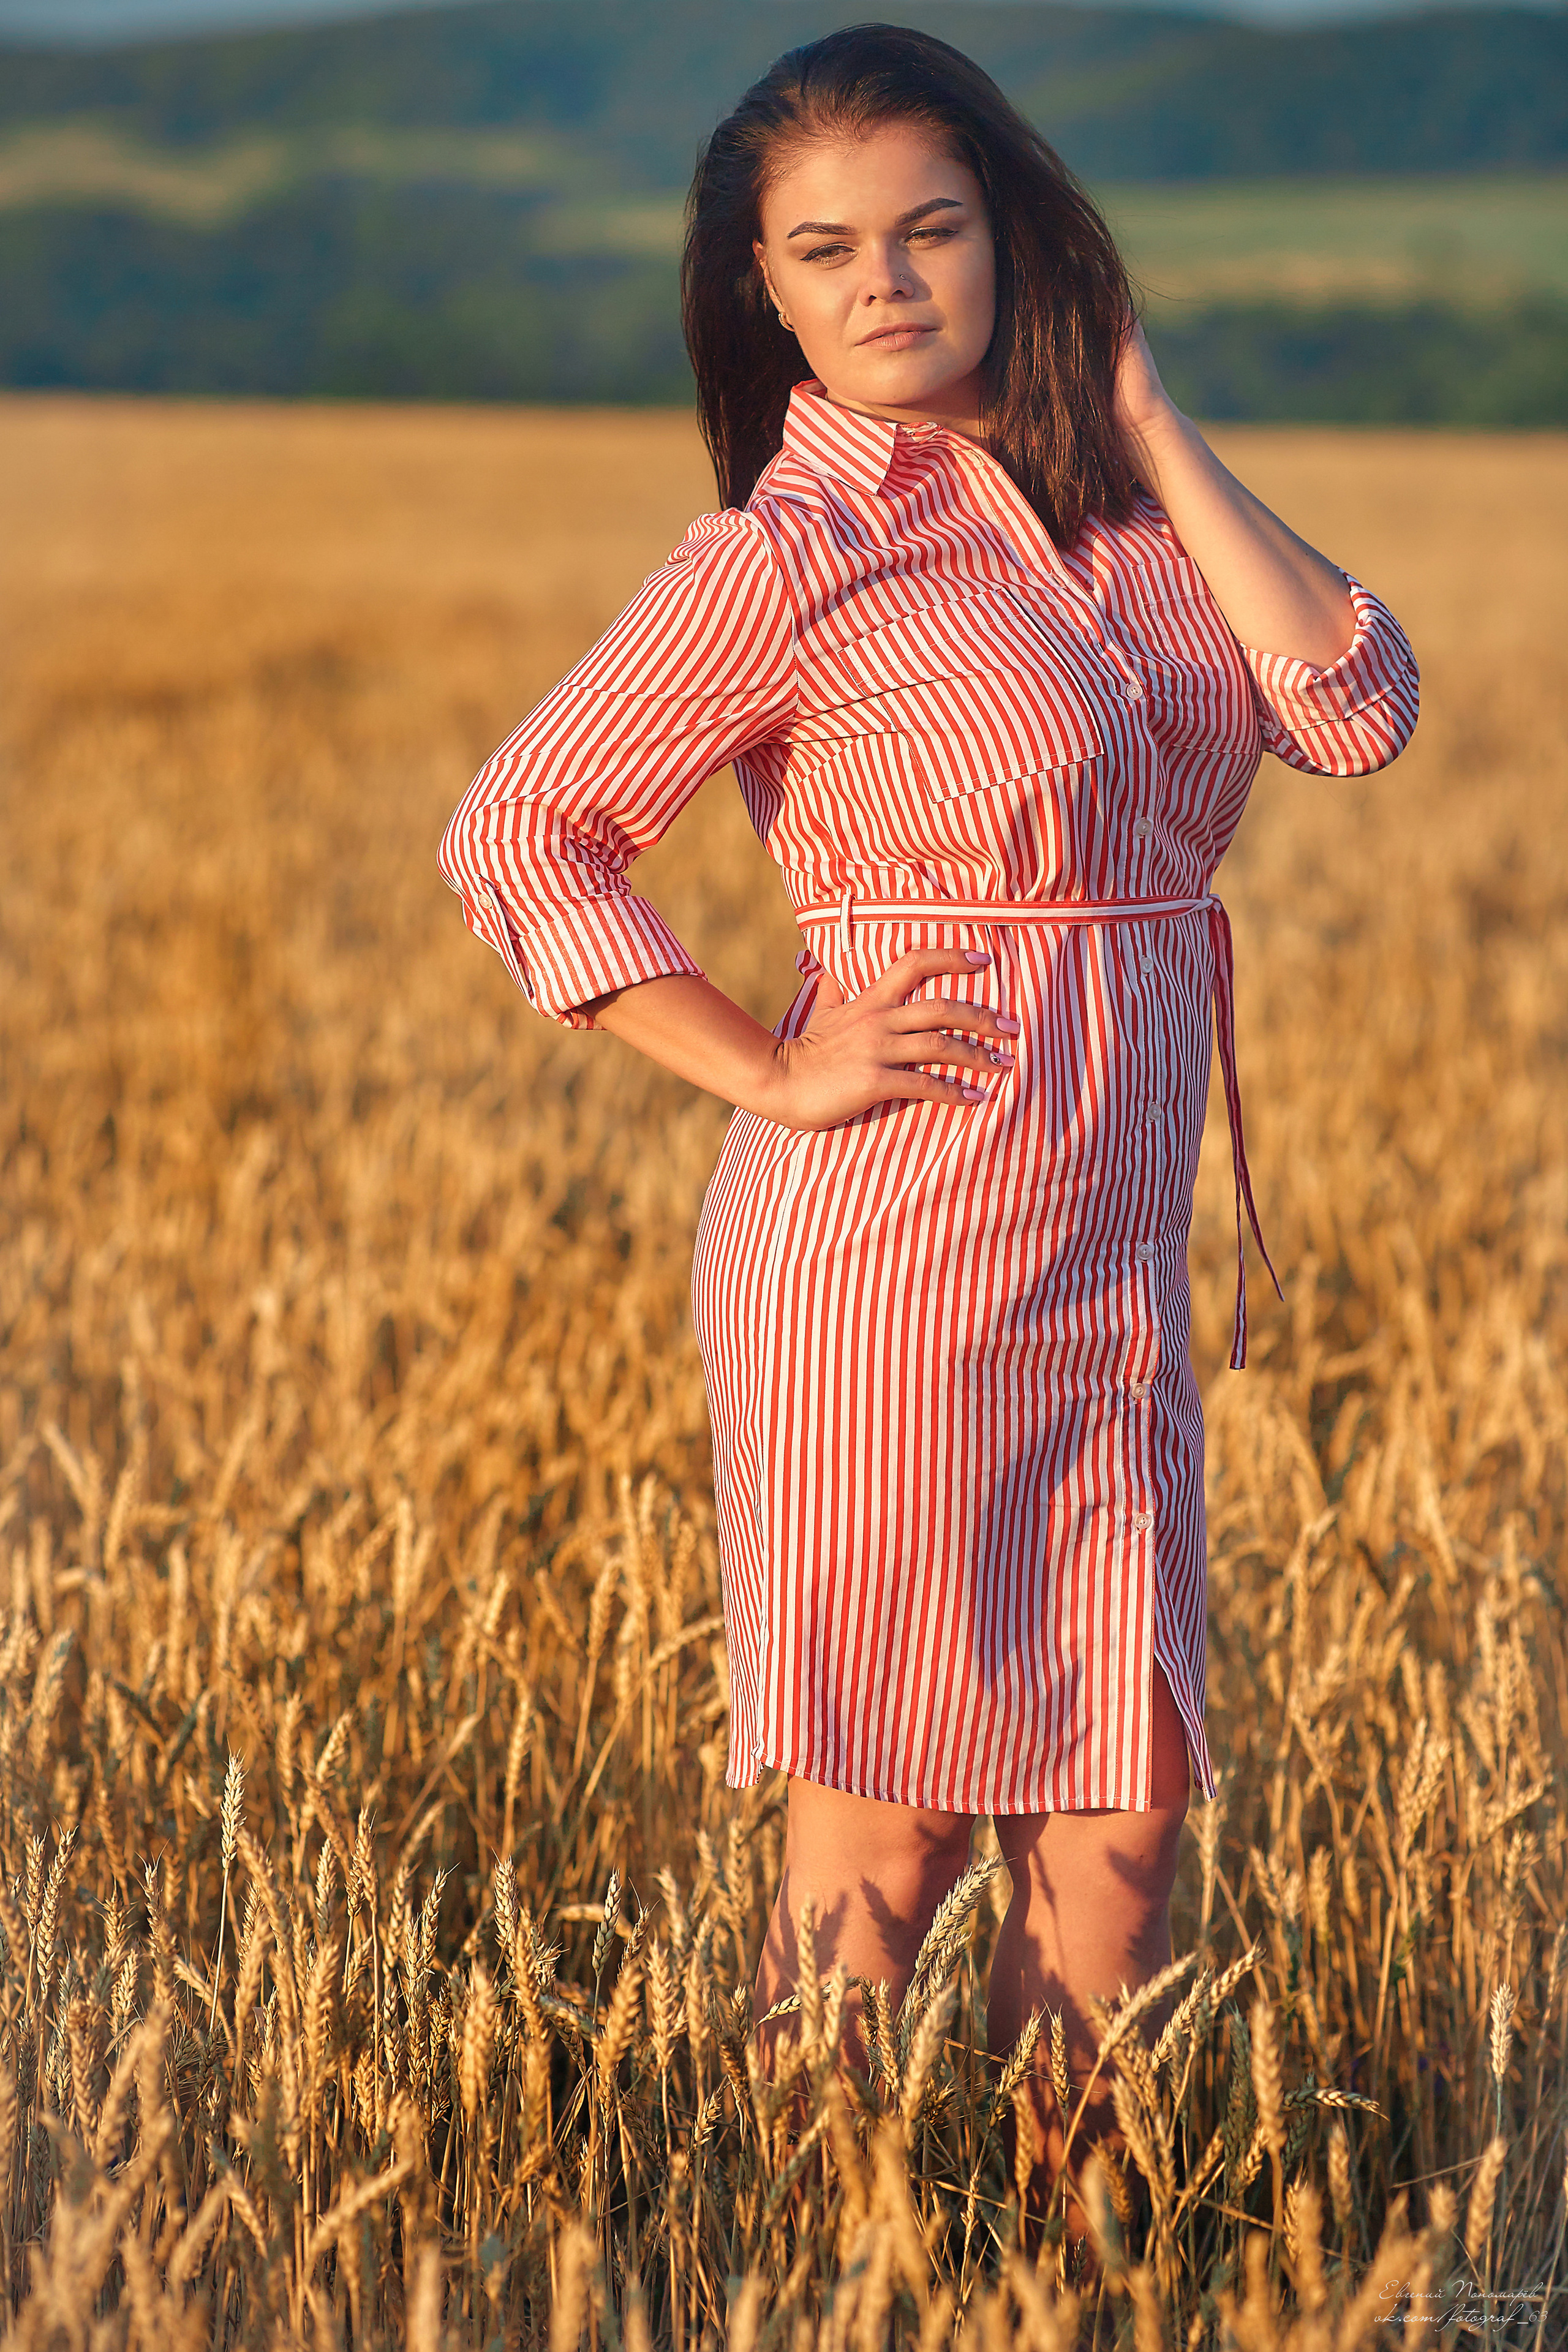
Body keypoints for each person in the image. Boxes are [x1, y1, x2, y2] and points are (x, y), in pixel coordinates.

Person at [439, 22, 1417, 2211]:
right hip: (886, 1260)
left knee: (1125, 1827)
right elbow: (523, 833)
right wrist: (771, 1066)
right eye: (825, 251)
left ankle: (1060, 2261)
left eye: (931, 229)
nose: (885, 282)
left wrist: (1151, 418)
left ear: (1015, 235)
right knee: (887, 1833)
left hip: (1111, 1271)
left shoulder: (1130, 516)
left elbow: (1356, 711)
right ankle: (825, 2261)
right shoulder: (784, 559)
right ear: (764, 291)